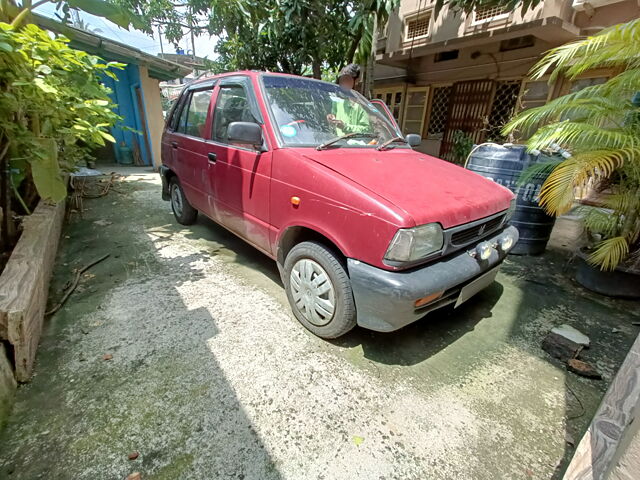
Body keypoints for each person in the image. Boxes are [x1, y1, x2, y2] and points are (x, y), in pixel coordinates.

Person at [327, 64, 370, 135]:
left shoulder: (362, 104)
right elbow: (333, 115)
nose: (343, 83)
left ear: (356, 81)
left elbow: (367, 130)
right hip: (337, 143)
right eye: (342, 80)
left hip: (357, 145)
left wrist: (345, 127)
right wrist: (331, 117)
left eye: (347, 80)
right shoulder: (337, 101)